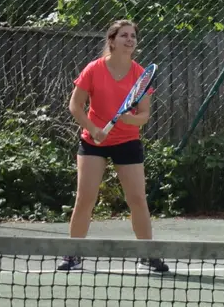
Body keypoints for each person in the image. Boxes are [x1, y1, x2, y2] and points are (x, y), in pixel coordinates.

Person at [60, 19, 167, 274]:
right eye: (124, 36)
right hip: (93, 142)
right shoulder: (94, 69)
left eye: (133, 36)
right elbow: (75, 106)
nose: (130, 40)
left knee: (137, 199)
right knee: (85, 198)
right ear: (112, 40)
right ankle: (73, 253)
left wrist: (128, 119)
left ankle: (147, 254)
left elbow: (144, 115)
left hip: (127, 142)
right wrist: (93, 128)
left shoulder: (139, 75)